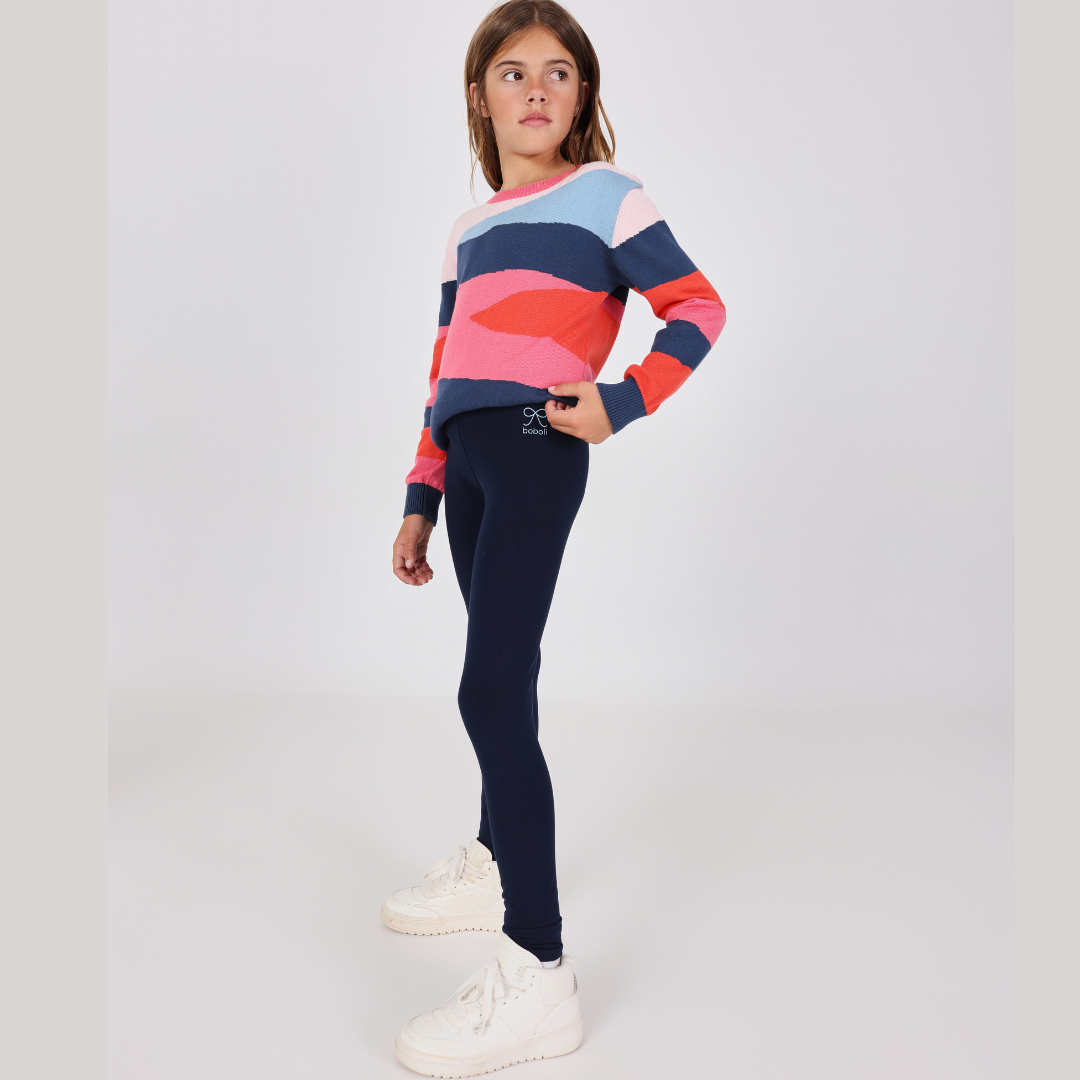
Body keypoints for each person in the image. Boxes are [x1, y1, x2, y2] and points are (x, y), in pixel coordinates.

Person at [387, 2, 725, 1074]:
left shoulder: (609, 198)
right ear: (480, 96)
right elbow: (444, 367)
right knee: (507, 672)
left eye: (558, 71)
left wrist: (623, 400)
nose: (536, 87)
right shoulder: (469, 229)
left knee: (487, 690)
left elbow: (698, 308)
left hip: (537, 445)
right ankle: (497, 858)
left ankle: (538, 968)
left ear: (583, 95)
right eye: (512, 71)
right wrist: (421, 494)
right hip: (468, 461)